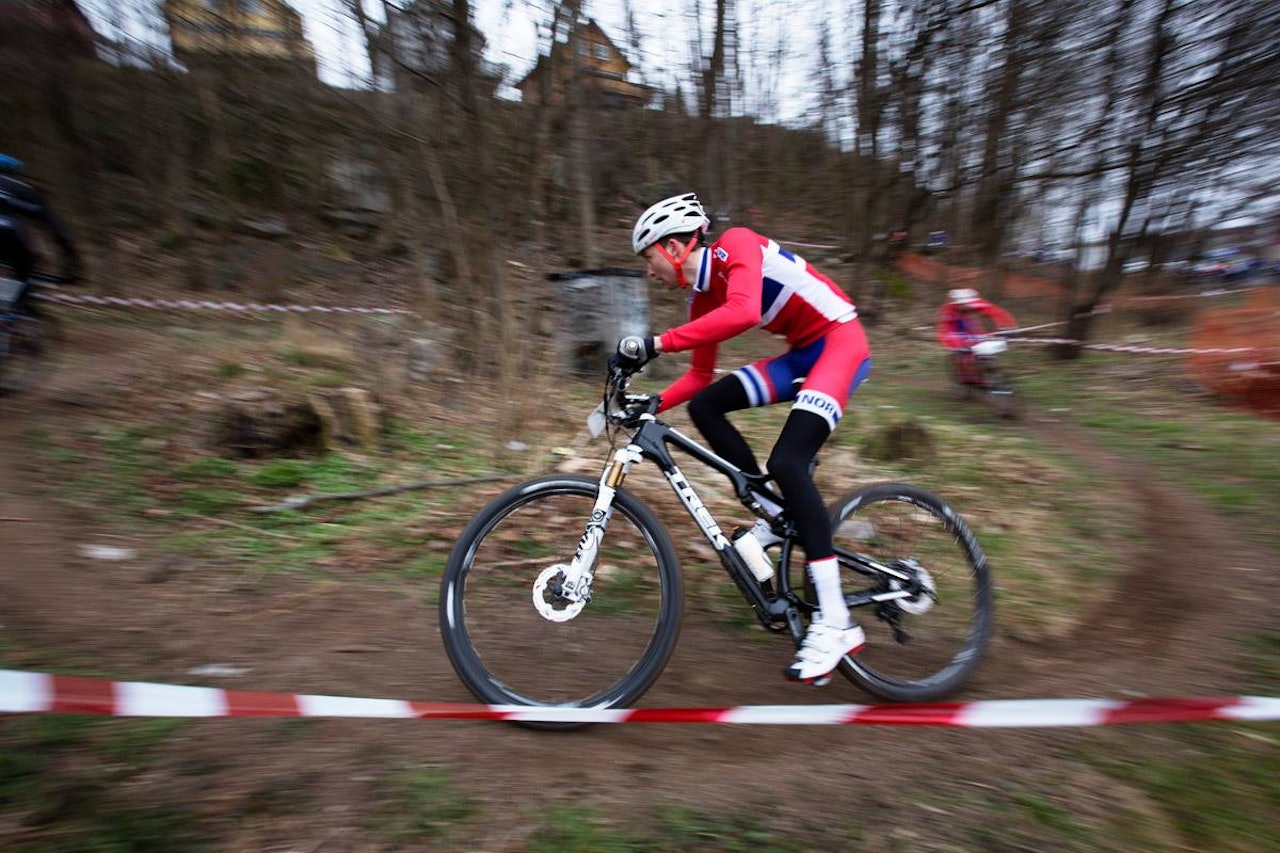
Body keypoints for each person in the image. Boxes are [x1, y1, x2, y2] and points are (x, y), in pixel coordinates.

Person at [613, 192, 873, 684]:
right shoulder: (700, 299)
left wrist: (653, 343)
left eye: (649, 259)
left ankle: (836, 621)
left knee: (790, 461)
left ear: (672, 247)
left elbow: (745, 312)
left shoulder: (738, 244)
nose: (650, 273)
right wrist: (650, 404)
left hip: (840, 342)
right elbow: (697, 377)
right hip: (804, 353)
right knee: (707, 405)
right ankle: (776, 513)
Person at [0, 154, 80, 313]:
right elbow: (55, 228)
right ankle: (11, 313)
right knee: (24, 267)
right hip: (10, 237)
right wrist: (71, 262)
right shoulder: (24, 189)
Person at [936, 288, 1015, 386]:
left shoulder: (976, 303)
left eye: (968, 303)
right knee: (964, 352)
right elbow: (946, 328)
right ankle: (966, 376)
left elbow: (997, 312)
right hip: (953, 331)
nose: (966, 306)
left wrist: (1008, 327)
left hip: (971, 329)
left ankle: (986, 369)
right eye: (962, 304)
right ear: (956, 303)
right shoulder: (947, 309)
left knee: (985, 348)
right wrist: (957, 341)